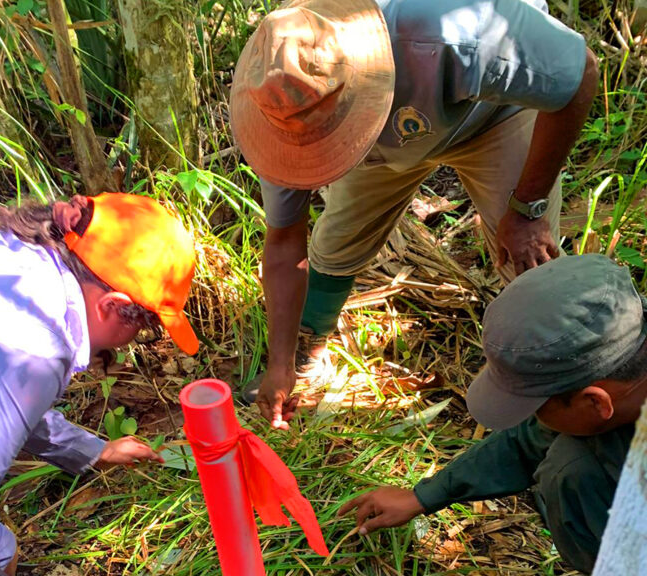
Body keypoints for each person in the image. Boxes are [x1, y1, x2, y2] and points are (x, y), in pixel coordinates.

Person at [228, 0, 600, 428]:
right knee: (338, 240)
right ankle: (307, 347)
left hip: (494, 115)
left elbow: (581, 74)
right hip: (382, 139)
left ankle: (560, 388)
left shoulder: (452, 30)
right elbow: (284, 244)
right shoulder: (279, 103)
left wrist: (528, 209)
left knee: (529, 268)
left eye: (322, 135)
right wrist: (279, 365)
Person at [0, 193, 199, 575]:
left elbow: (1, 401)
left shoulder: (22, 269)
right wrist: (0, 552)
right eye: (144, 325)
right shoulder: (29, 344)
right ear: (111, 306)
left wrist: (92, 451)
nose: (135, 340)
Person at [338, 254, 646, 574]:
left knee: (572, 468)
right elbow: (529, 439)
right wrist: (423, 497)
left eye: (536, 408)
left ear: (596, 403)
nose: (530, 419)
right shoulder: (629, 344)